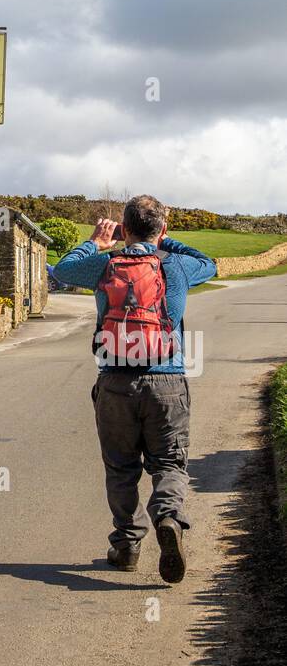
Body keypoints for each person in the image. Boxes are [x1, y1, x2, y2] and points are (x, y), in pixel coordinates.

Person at [53, 195, 216, 583]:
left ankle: (127, 546)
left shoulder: (105, 263)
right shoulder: (173, 263)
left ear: (123, 229)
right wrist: (167, 241)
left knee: (121, 468)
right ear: (161, 228)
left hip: (114, 383)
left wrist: (96, 241)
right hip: (167, 382)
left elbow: (62, 268)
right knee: (170, 464)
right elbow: (210, 263)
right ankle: (168, 517)